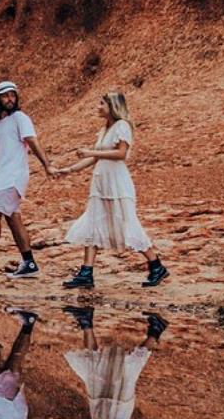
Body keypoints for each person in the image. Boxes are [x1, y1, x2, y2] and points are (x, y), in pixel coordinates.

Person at [55, 91, 168, 289]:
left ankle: (156, 265)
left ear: (112, 106)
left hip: (117, 184)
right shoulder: (104, 129)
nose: (98, 107)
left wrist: (91, 151)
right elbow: (96, 157)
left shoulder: (122, 126)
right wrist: (70, 169)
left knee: (127, 223)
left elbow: (121, 154)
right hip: (101, 184)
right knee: (93, 222)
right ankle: (86, 272)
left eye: (101, 104)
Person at [53, 307, 168, 419]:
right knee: (127, 372)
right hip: (116, 416)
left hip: (100, 416)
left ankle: (86, 322)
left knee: (93, 371)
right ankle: (155, 331)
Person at [0, 81, 55, 280]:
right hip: (1, 177)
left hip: (13, 176)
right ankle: (29, 263)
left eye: (12, 95)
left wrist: (47, 165)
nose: (10, 99)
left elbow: (32, 141)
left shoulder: (20, 118)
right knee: (13, 218)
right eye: (5, 96)